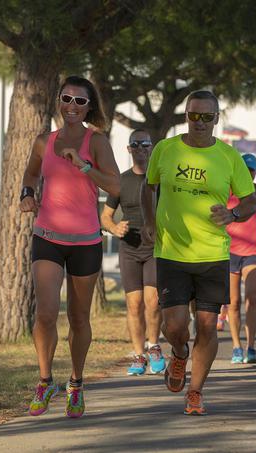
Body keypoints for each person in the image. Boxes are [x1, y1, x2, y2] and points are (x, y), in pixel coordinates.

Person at [142, 90, 256, 415]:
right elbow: (148, 186)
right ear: (186, 116)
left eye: (207, 117)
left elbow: (251, 202)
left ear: (217, 119)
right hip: (171, 252)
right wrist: (150, 221)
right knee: (174, 325)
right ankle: (179, 354)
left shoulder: (229, 157)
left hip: (213, 254)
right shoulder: (165, 150)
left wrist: (234, 215)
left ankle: (195, 391)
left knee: (207, 326)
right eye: (194, 115)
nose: (200, 122)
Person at [20, 75, 120, 417]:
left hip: (85, 242)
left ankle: (76, 383)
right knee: (46, 313)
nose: (72, 106)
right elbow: (31, 174)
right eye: (67, 99)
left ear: (89, 106)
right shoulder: (43, 141)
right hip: (47, 236)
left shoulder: (97, 141)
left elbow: (116, 184)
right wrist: (26, 195)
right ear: (58, 102)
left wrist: (85, 165)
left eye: (80, 101)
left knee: (78, 318)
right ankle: (46, 380)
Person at [100, 129, 165, 376]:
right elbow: (105, 217)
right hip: (129, 249)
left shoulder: (160, 180)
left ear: (151, 148)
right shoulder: (121, 181)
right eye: (135, 144)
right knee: (134, 304)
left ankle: (154, 347)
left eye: (145, 144)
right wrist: (115, 228)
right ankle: (138, 355)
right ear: (129, 149)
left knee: (152, 302)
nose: (140, 148)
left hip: (154, 248)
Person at [226, 153, 256, 364]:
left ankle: (251, 347)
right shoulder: (227, 190)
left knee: (252, 297)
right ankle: (236, 347)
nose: (248, 174)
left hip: (254, 251)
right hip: (230, 251)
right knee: (233, 302)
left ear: (255, 172)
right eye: (245, 170)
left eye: (252, 170)